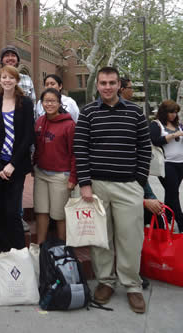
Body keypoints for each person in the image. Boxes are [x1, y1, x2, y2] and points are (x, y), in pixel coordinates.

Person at [74, 66, 151, 314]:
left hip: (128, 186)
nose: (107, 87)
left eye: (112, 82)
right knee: (101, 240)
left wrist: (139, 180)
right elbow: (81, 149)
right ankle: (105, 282)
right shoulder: (87, 113)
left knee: (130, 238)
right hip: (96, 186)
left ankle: (132, 285)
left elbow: (145, 148)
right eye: (103, 83)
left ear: (119, 85)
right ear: (97, 85)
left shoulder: (135, 113)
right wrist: (85, 183)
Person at [0, 65, 35, 252]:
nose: (7, 80)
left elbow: (28, 135)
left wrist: (12, 164)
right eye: (3, 77)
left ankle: (20, 252)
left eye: (11, 78)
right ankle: (5, 252)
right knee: (0, 211)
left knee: (13, 212)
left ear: (17, 81)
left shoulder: (26, 103)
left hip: (16, 166)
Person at [0, 45, 36, 232]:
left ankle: (18, 217)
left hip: (19, 140)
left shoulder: (27, 80)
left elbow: (33, 108)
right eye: (7, 56)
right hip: (1, 139)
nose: (10, 58)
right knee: (0, 183)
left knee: (18, 183)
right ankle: (1, 217)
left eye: (13, 56)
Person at [34, 88, 77, 243]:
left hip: (60, 175)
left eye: (53, 101)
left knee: (59, 215)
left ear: (59, 103)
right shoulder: (39, 121)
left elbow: (75, 153)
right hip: (41, 173)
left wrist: (73, 177)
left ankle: (62, 248)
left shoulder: (69, 125)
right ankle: (40, 247)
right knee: (41, 211)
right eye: (46, 101)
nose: (49, 104)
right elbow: (37, 147)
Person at [150, 99, 183, 232]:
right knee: (173, 193)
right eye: (171, 112)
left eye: (175, 112)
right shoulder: (156, 124)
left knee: (171, 193)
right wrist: (173, 135)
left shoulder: (179, 125)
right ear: (164, 112)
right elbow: (155, 140)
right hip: (166, 164)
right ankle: (181, 223)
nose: (174, 115)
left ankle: (166, 219)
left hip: (180, 163)